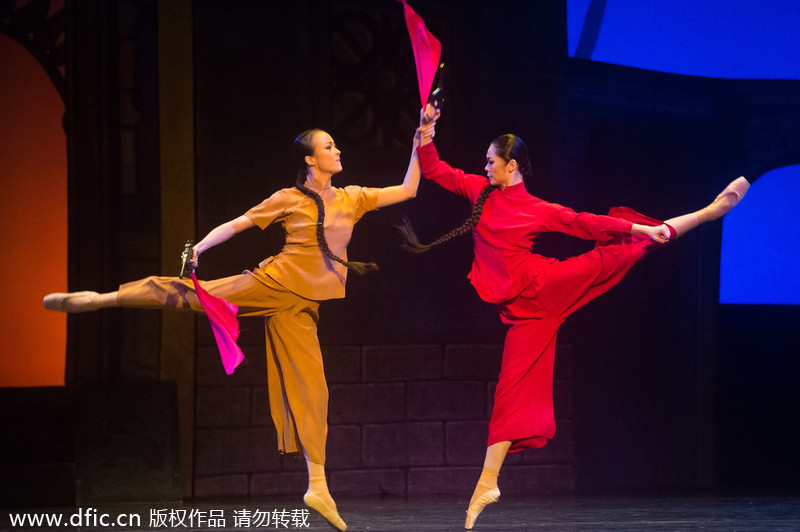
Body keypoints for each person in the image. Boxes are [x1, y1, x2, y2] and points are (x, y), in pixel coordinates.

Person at [44, 120, 435, 531]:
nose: (338, 151)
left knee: (313, 389)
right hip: (272, 284)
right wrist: (199, 247)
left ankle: (318, 485)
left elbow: (408, 189)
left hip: (300, 309)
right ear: (309, 159)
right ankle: (101, 299)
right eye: (329, 146)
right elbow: (237, 224)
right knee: (197, 295)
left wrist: (418, 145)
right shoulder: (288, 198)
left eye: (336, 145)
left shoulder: (353, 198)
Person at [398, 113, 749, 530]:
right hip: (522, 315)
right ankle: (487, 483)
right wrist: (426, 132)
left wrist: (636, 224)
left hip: (546, 287)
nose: (485, 166)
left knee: (625, 248)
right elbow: (436, 169)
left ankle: (707, 213)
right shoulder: (478, 191)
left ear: (511, 166)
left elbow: (583, 223)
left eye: (491, 161)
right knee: (509, 390)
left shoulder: (535, 208)